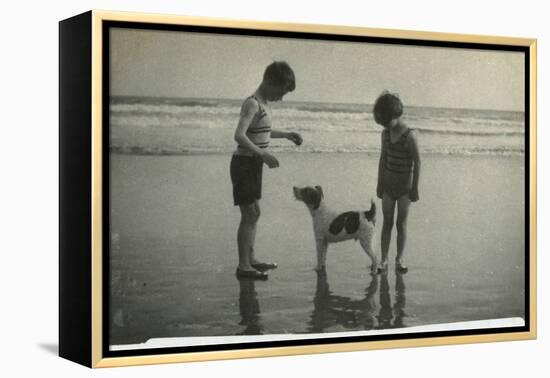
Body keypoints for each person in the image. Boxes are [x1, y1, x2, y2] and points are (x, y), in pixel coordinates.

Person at [230, 61, 303, 280]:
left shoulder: (263, 104)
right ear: (270, 82)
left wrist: (287, 134)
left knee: (254, 213)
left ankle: (251, 260)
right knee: (249, 214)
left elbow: (264, 132)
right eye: (281, 92)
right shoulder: (252, 103)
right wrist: (263, 155)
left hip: (253, 166)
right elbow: (239, 135)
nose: (281, 97)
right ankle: (244, 266)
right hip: (243, 164)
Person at [374, 91, 421, 274]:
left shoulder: (409, 136)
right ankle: (383, 259)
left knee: (401, 223)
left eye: (387, 122)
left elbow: (417, 162)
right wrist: (379, 184)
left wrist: (415, 188)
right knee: (386, 223)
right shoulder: (385, 134)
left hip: (404, 189)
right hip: (388, 186)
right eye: (383, 124)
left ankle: (399, 258)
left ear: (396, 115)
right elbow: (382, 158)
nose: (385, 126)